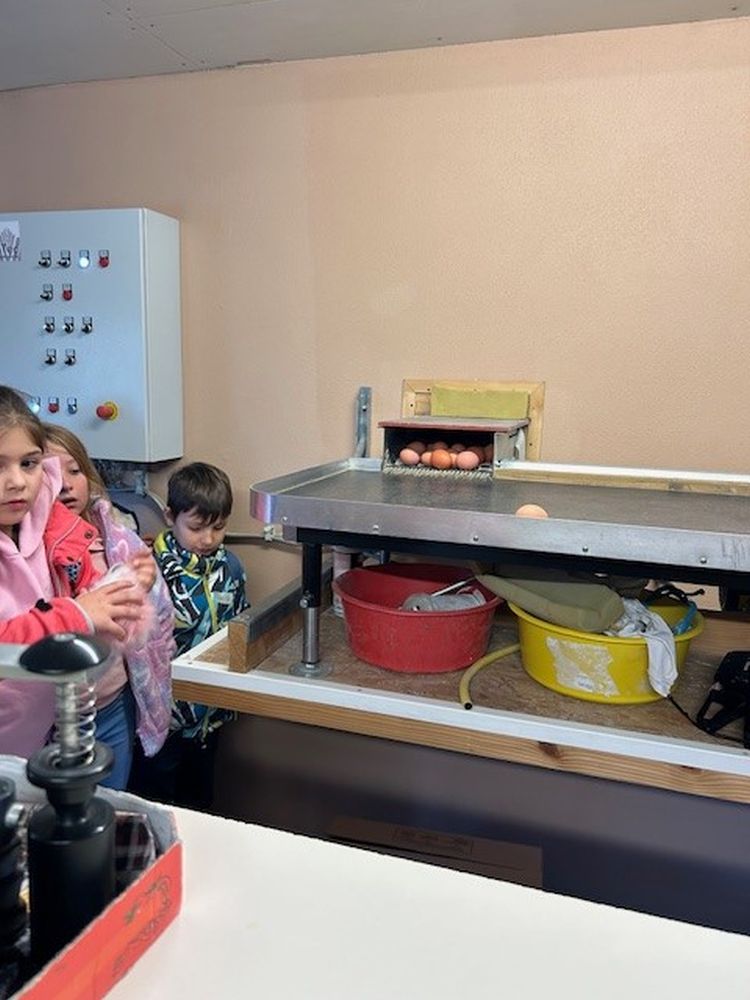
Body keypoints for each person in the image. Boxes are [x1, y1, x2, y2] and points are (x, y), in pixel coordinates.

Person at [0, 386, 145, 760]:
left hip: (41, 734)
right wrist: (77, 614)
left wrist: (117, 590)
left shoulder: (43, 516)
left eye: (28, 463)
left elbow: (80, 577)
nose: (16, 481)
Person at [43, 423, 176, 789]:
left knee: (112, 801)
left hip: (114, 703)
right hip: (54, 717)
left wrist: (140, 586)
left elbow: (159, 618)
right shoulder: (31, 555)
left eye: (75, 470)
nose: (66, 484)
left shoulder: (117, 539)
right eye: (51, 472)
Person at [129, 461, 249, 810]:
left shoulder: (231, 568)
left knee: (200, 801)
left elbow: (240, 627)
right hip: (162, 719)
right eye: (196, 528)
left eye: (218, 527)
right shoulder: (151, 571)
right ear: (170, 516)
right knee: (157, 803)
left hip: (209, 714)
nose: (208, 539)